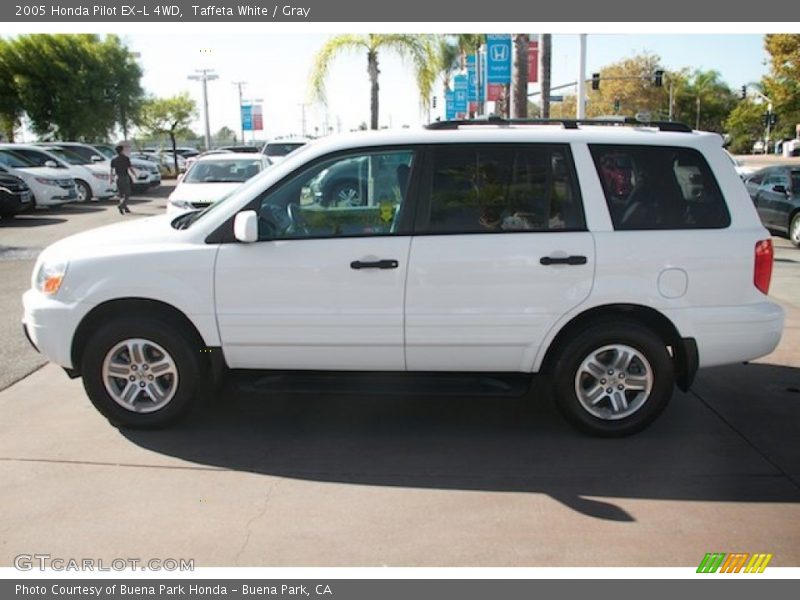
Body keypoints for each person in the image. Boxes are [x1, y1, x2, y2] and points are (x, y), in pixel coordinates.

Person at [110, 144, 136, 214]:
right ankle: (121, 205)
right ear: (122, 150)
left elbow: (112, 170)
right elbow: (130, 168)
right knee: (127, 193)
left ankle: (125, 208)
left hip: (117, 177)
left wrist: (111, 178)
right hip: (125, 177)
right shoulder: (126, 158)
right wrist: (134, 174)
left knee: (121, 194)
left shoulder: (114, 159)